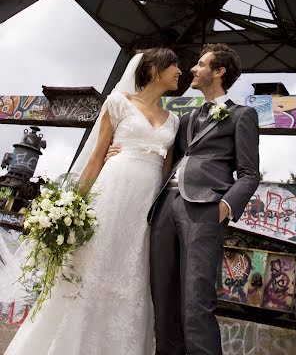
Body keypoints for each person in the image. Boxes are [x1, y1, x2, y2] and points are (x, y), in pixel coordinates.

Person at [3, 47, 181, 355]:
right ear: (153, 70)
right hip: (111, 192)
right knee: (91, 267)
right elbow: (97, 157)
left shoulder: (174, 120)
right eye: (174, 65)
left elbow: (166, 175)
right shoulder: (118, 103)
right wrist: (71, 206)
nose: (180, 71)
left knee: (131, 276)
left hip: (145, 208)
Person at [108, 42, 260, 355]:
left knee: (195, 302)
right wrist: (119, 149)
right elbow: (157, 150)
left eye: (201, 64)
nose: (193, 68)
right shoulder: (186, 118)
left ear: (218, 72)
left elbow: (249, 174)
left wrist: (224, 207)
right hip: (164, 207)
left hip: (204, 210)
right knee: (163, 300)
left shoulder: (242, 115)